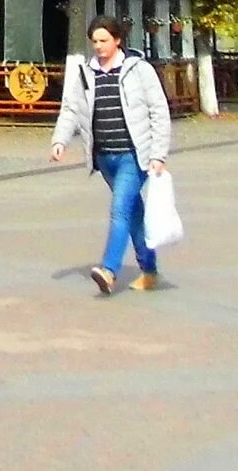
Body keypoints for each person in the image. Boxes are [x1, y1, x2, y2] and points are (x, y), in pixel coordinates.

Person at [49, 16, 174, 296]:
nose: (99, 46)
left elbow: (158, 110)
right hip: (105, 157)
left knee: (119, 209)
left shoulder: (138, 70)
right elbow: (70, 110)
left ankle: (108, 270)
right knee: (133, 214)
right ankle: (150, 270)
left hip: (134, 155)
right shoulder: (85, 73)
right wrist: (60, 140)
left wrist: (158, 153)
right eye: (95, 41)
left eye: (104, 40)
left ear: (117, 40)